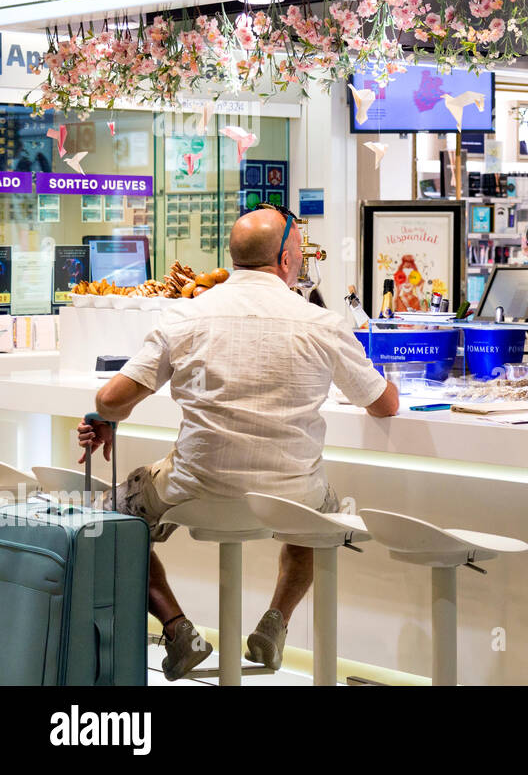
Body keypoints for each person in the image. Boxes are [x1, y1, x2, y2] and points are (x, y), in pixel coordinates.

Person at [77, 204, 399, 680]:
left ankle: (176, 628)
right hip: (293, 497)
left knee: (106, 516)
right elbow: (383, 405)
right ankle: (275, 624)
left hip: (194, 488)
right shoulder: (323, 324)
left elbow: (111, 399)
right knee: (319, 517)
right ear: (288, 260)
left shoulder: (185, 317)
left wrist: (107, 419)